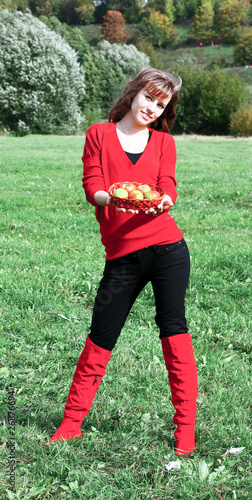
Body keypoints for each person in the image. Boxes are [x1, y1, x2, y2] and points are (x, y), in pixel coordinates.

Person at [48, 68, 198, 457]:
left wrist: (163, 200)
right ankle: (71, 423)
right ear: (134, 94)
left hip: (168, 250)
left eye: (161, 104)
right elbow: (92, 187)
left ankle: (185, 432)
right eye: (149, 97)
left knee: (174, 330)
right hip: (123, 258)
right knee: (101, 336)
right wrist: (114, 200)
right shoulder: (98, 134)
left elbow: (169, 187)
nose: (152, 107)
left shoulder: (164, 142)